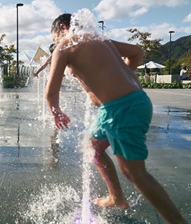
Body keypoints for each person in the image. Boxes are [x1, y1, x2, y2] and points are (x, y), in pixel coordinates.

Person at [45, 13, 186, 223]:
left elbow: (50, 92)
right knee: (92, 147)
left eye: (54, 37)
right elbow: (137, 52)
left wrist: (56, 112)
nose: (55, 42)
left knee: (135, 174)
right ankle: (116, 197)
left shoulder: (64, 46)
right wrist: (126, 76)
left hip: (121, 110)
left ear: (63, 28)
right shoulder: (100, 40)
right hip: (124, 105)